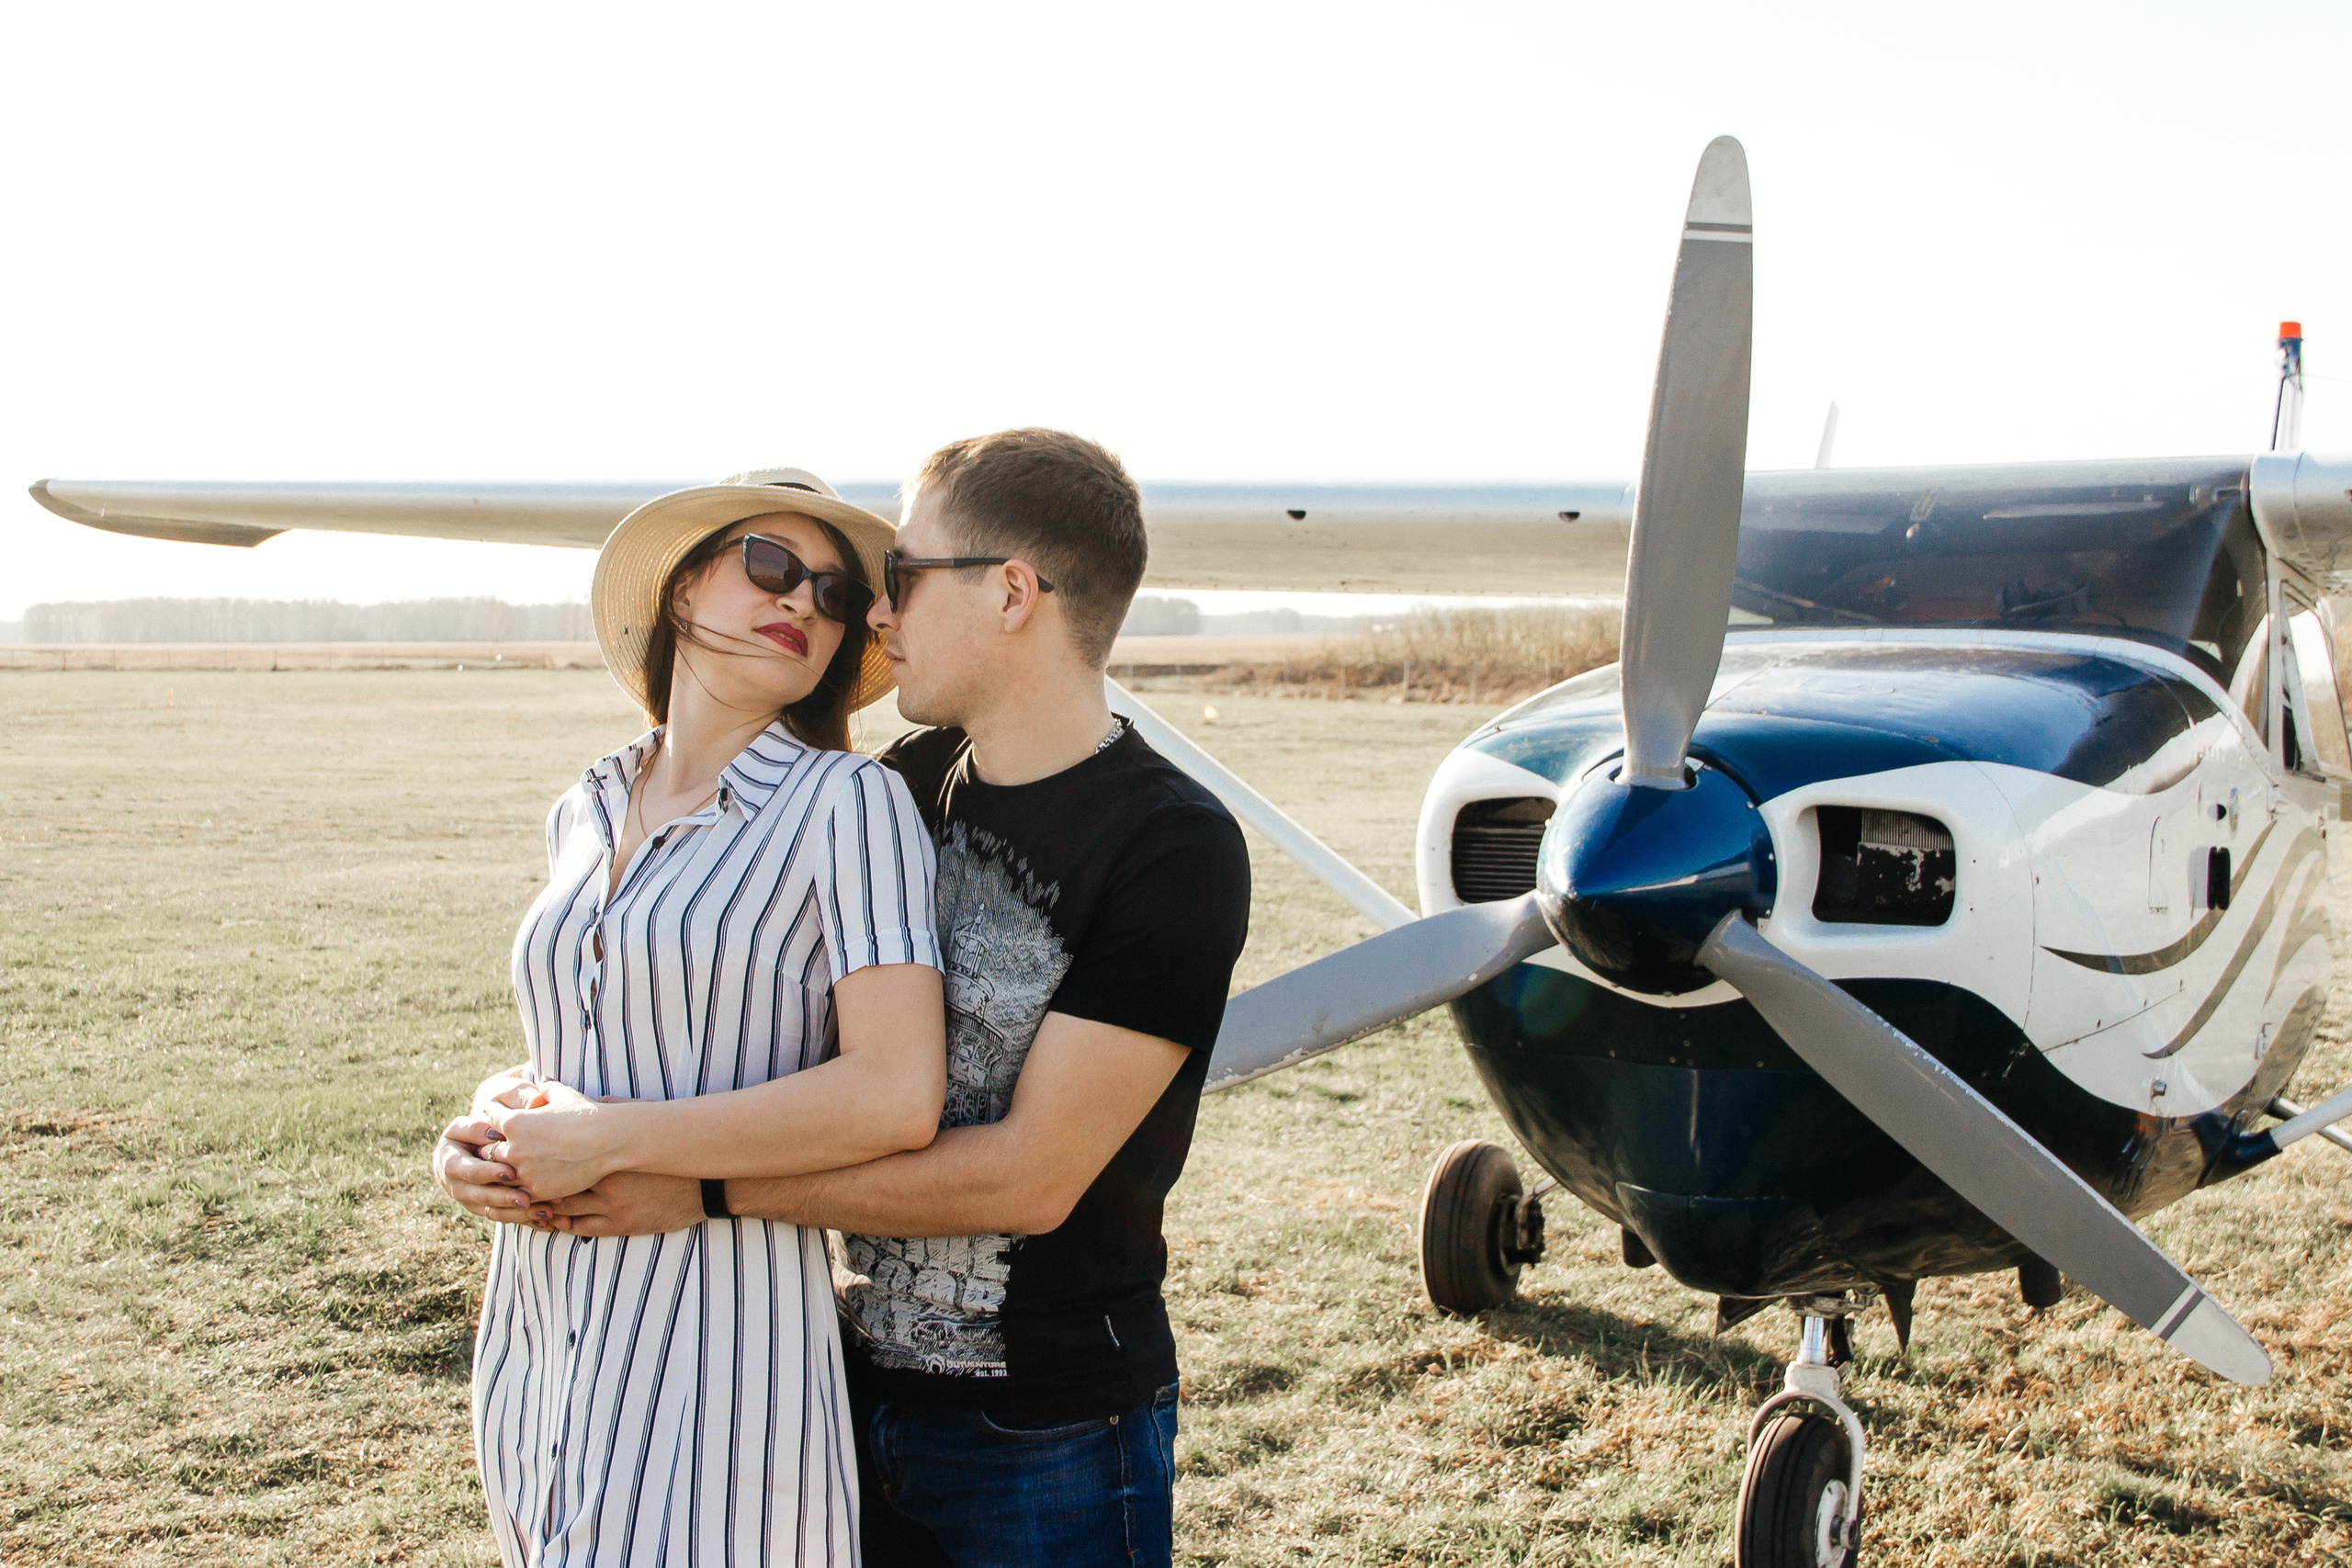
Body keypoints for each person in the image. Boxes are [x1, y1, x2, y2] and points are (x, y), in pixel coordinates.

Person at [437, 429, 1253, 1568]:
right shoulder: (904, 785)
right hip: (834, 1374)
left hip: (1047, 1423)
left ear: (1013, 592)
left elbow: (1029, 1177)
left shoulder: (1174, 847)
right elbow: (705, 1007)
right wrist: (514, 1115)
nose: (870, 614)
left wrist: (700, 1189)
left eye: (896, 580)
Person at [439, 468, 949, 1566]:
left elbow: (897, 1092)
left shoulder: (846, 805)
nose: (806, 602)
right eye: (773, 567)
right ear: (679, 593)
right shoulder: (582, 804)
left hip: (718, 1322)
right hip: (539, 1317)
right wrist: (487, 1126)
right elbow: (589, 1033)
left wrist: (612, 1140)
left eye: (832, 592)